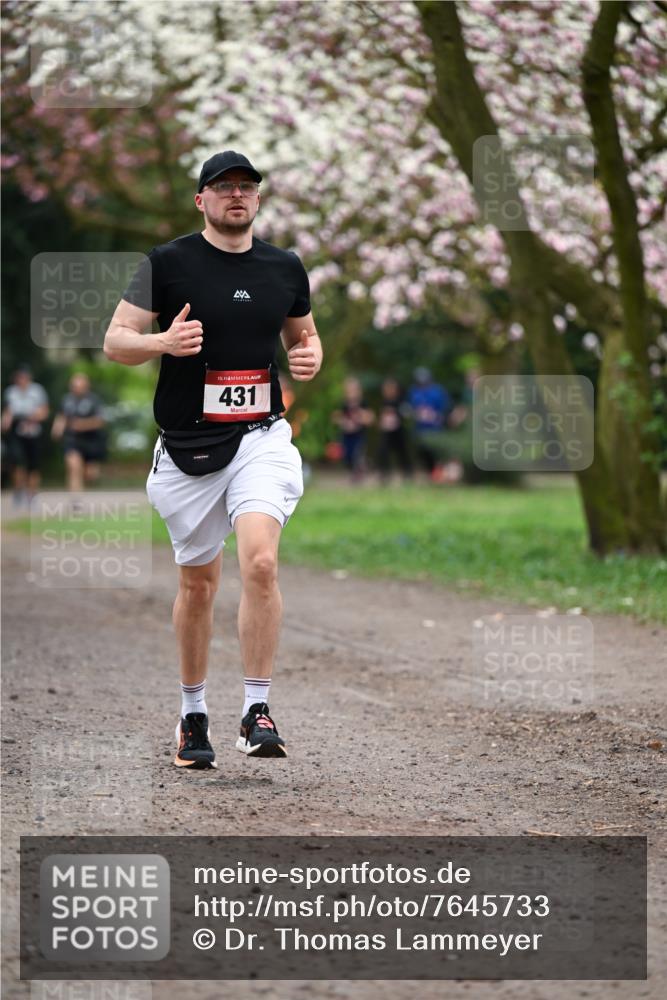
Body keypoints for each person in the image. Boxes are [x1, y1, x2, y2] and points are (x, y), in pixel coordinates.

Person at [104, 150, 323, 770]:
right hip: (188, 446)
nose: (237, 195)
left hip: (260, 436)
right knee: (198, 585)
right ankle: (192, 713)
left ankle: (257, 710)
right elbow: (115, 340)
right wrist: (162, 341)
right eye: (223, 187)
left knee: (261, 562)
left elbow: (304, 337)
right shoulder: (166, 263)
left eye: (247, 187)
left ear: (258, 199)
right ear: (201, 199)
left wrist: (311, 357)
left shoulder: (284, 267)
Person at [1, 365, 49, 505]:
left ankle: (32, 494)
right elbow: (8, 411)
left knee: (33, 466)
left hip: (33, 430)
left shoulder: (37, 391)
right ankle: (18, 489)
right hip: (17, 430)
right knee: (16, 461)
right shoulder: (11, 392)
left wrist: (34, 417)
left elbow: (44, 411)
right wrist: (5, 421)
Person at [51, 373, 107, 491]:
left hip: (91, 440)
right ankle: (75, 498)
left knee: (90, 475)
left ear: (86, 386)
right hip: (73, 440)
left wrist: (81, 425)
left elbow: (100, 421)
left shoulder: (94, 400)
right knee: (74, 467)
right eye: (74, 386)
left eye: (80, 386)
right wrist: (57, 429)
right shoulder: (66, 399)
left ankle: (85, 488)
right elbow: (61, 416)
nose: (76, 389)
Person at [407, 367, 450, 482]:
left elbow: (445, 409)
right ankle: (431, 474)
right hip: (420, 429)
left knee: (435, 452)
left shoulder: (437, 391)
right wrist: (416, 413)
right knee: (422, 452)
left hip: (435, 428)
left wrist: (435, 415)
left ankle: (438, 474)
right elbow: (410, 408)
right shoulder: (414, 391)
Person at [331, 376, 374, 483]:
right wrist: (344, 422)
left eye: (353, 389)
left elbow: (370, 418)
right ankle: (360, 467)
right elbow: (336, 417)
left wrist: (361, 417)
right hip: (347, 435)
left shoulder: (363, 403)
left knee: (357, 454)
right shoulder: (344, 404)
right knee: (348, 456)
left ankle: (359, 472)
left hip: (359, 434)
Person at [376, 377, 412, 484]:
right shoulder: (384, 402)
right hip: (387, 432)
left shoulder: (401, 401)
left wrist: (398, 415)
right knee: (383, 452)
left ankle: (407, 472)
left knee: (402, 453)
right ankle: (385, 474)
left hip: (398, 432)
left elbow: (406, 415)